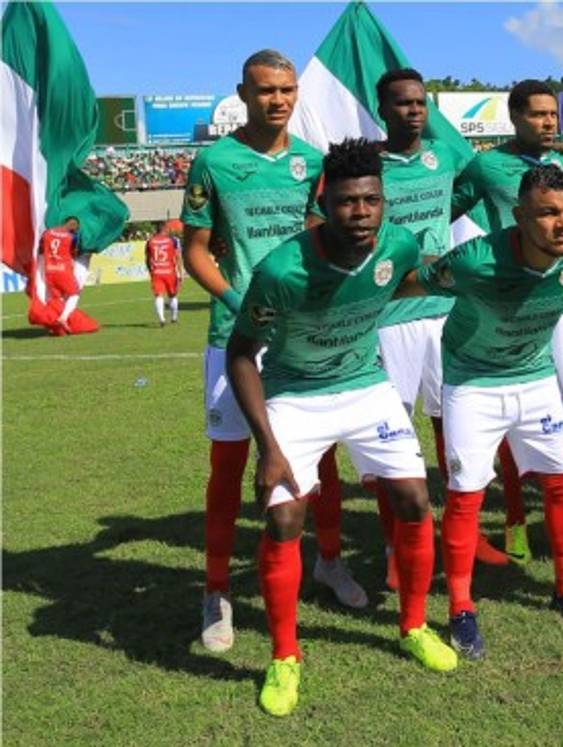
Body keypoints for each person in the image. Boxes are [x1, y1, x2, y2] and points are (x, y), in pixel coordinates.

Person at [227, 138, 455, 718]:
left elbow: (399, 279)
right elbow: (240, 353)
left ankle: (412, 624)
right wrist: (268, 449)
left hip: (365, 386)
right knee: (284, 518)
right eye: (349, 202)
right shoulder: (281, 269)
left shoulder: (396, 245)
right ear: (325, 203)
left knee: (413, 500)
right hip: (295, 396)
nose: (361, 214)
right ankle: (284, 656)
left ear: (384, 201)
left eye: (372, 201)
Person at [399, 165, 563, 659]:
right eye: (548, 213)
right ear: (519, 217)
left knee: (562, 482)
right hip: (472, 383)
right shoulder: (475, 260)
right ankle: (461, 609)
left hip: (537, 379)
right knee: (467, 494)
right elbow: (412, 282)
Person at [181, 49, 365, 655]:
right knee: (230, 463)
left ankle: (330, 561)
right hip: (234, 336)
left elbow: (325, 244)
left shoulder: (313, 164)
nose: (278, 100)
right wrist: (239, 299)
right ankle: (215, 589)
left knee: (324, 459)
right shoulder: (214, 162)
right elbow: (197, 252)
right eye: (265, 91)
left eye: (287, 89)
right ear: (243, 93)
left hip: (300, 336)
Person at [370, 67, 509, 587]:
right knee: (392, 440)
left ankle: (466, 535)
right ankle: (394, 547)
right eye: (403, 103)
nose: (413, 111)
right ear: (382, 108)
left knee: (458, 430)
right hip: (389, 320)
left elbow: (473, 191)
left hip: (448, 312)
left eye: (420, 103)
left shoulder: (447, 156)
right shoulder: (369, 164)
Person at [451, 79, 563, 563]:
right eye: (537, 115)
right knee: (513, 421)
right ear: (514, 117)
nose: (548, 123)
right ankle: (515, 521)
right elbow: (444, 211)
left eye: (552, 115)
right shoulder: (485, 165)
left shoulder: (560, 165)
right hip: (510, 304)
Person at [38, 217, 82, 335]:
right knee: (74, 294)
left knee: (56, 299)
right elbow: (74, 252)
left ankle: (54, 326)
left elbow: (40, 249)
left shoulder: (47, 232)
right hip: (63, 270)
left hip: (49, 270)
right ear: (74, 225)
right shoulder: (72, 237)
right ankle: (63, 317)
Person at [145, 221, 182, 326]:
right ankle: (174, 317)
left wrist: (150, 271)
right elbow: (178, 257)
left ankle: (162, 318)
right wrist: (180, 272)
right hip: (170, 272)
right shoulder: (173, 240)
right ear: (165, 229)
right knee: (173, 295)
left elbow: (147, 259)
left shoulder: (150, 241)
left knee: (158, 295)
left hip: (157, 272)